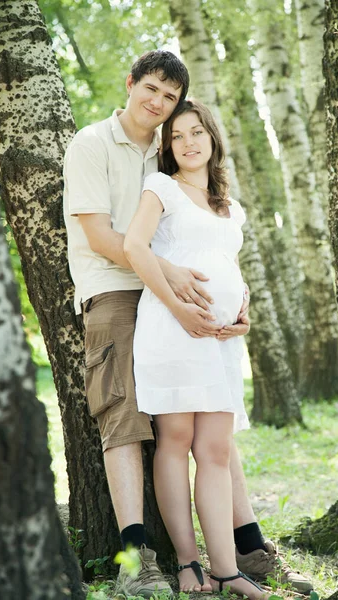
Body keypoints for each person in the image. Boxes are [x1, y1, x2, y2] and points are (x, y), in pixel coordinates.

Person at [63, 50, 312, 597]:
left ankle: (244, 546)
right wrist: (172, 281)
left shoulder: (168, 145)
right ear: (129, 84)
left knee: (213, 431)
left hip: (181, 304)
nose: (158, 103)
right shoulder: (93, 144)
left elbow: (207, 239)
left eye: (169, 98)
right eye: (150, 89)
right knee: (126, 420)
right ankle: (139, 556)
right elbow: (105, 239)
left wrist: (232, 302)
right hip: (116, 288)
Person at [124, 98, 270, 600]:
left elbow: (224, 262)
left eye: (195, 133)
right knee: (177, 441)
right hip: (171, 327)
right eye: (177, 136)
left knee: (214, 450)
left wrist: (242, 306)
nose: (187, 143)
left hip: (220, 342)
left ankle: (227, 570)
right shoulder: (161, 188)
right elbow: (135, 248)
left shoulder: (231, 207)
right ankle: (188, 563)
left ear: (213, 138)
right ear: (167, 148)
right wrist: (181, 308)